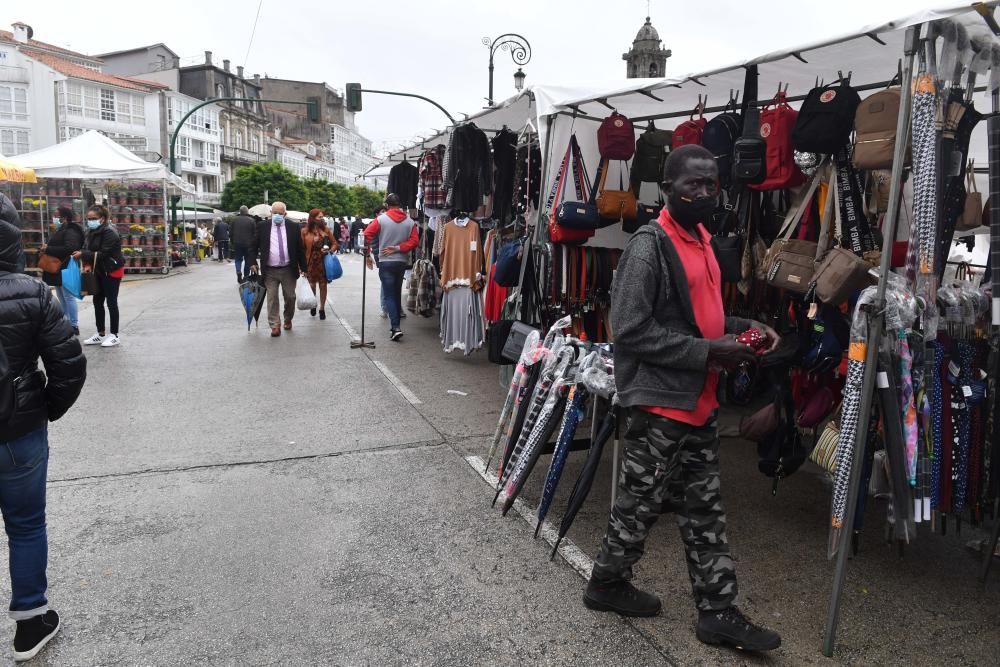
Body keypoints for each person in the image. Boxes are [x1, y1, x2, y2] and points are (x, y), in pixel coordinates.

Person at [583, 145, 783, 653]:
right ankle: (606, 583)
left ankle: (717, 611)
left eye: (711, 184)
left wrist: (744, 329)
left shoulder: (703, 240)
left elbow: (701, 318)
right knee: (637, 504)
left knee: (704, 510)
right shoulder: (650, 245)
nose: (703, 192)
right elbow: (628, 329)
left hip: (698, 401)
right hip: (659, 405)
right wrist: (708, 351)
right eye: (692, 184)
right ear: (667, 188)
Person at [0, 217, 86, 662]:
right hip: (19, 427)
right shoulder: (32, 292)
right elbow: (69, 363)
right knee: (26, 525)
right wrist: (45, 406)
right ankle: (30, 623)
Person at [364, 195, 417, 341]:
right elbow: (414, 242)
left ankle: (395, 327)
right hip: (401, 262)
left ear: (387, 205)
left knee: (388, 295)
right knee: (396, 293)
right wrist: (399, 248)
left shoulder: (380, 220)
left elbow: (367, 234)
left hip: (386, 261)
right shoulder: (410, 221)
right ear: (399, 204)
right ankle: (396, 326)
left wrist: (367, 254)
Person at [249, 202, 307, 338]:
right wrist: (252, 261)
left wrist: (304, 268)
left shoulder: (293, 227)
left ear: (285, 214)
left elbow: (299, 249)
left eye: (280, 214)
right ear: (271, 213)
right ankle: (275, 325)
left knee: (290, 297)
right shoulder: (262, 226)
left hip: (288, 269)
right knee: (272, 298)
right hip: (270, 270)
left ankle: (288, 319)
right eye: (275, 213)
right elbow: (253, 245)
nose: (277, 216)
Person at [75, 206, 126, 348]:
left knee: (111, 303)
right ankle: (100, 333)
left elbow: (103, 253)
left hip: (111, 270)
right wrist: (84, 257)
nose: (90, 221)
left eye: (93, 219)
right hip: (98, 271)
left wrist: (83, 254)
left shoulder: (110, 232)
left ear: (102, 218)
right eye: (88, 219)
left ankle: (114, 335)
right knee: (98, 301)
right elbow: (87, 248)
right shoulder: (91, 232)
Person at [39, 207, 85, 335]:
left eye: (56, 215)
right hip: (59, 267)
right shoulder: (63, 229)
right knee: (61, 296)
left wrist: (48, 248)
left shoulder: (71, 230)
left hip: (65, 267)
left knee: (68, 296)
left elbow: (69, 248)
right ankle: (66, 322)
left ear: (64, 217)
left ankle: (74, 325)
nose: (54, 218)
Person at [301, 209, 337, 320]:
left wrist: (330, 250)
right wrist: (301, 265)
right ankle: (313, 304)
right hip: (310, 260)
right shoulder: (305, 231)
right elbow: (301, 248)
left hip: (323, 260)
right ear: (313, 218)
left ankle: (322, 308)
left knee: (323, 285)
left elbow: (335, 243)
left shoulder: (326, 230)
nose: (322, 219)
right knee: (311, 284)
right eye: (319, 217)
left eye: (322, 217)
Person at [230, 205, 257, 282]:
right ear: (247, 212)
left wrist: (232, 242)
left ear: (240, 212)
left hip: (237, 243)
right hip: (249, 244)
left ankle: (238, 272)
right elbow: (255, 233)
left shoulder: (234, 220)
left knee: (238, 259)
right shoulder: (251, 220)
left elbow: (230, 233)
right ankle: (246, 276)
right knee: (248, 260)